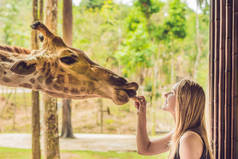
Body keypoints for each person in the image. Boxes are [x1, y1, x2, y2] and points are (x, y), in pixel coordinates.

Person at [134, 79, 213, 159]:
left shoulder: (189, 139)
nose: (165, 94)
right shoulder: (180, 133)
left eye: (172, 92)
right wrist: (141, 112)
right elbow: (145, 149)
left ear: (183, 101)